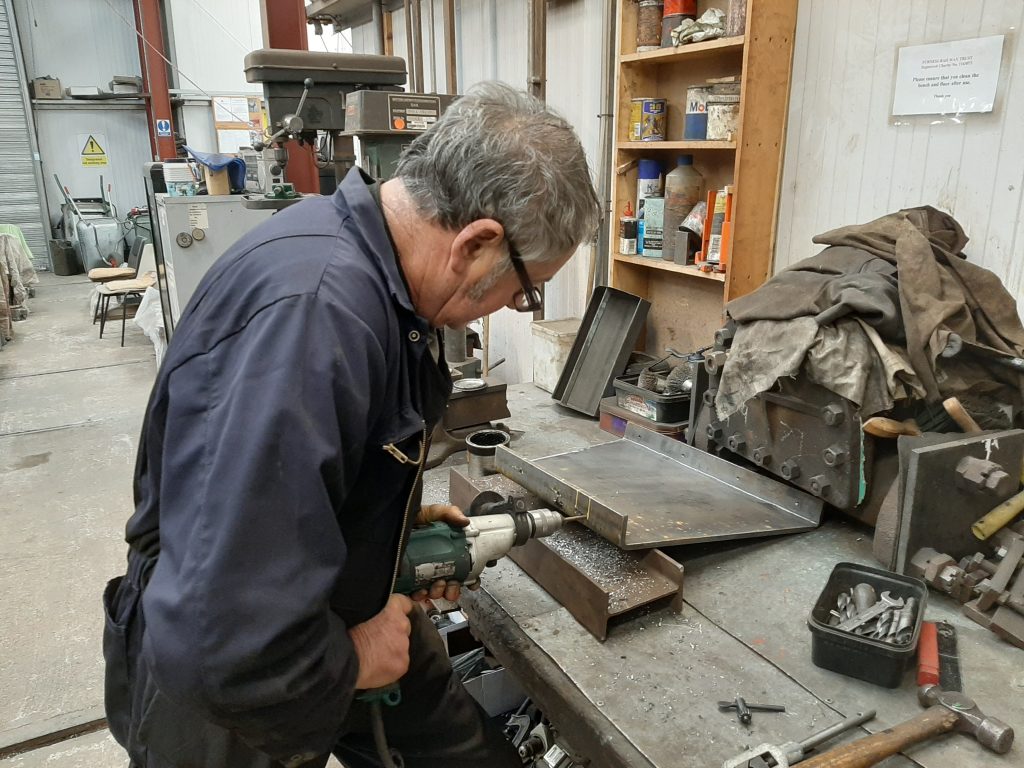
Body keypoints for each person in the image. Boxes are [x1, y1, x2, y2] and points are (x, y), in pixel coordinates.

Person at [102, 81, 600, 768]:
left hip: (328, 605)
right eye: (524, 289)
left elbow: (288, 483)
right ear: (477, 242)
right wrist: (353, 658)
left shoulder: (373, 277)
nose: (513, 307)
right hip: (234, 682)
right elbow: (220, 633)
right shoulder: (312, 319)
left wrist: (380, 520)